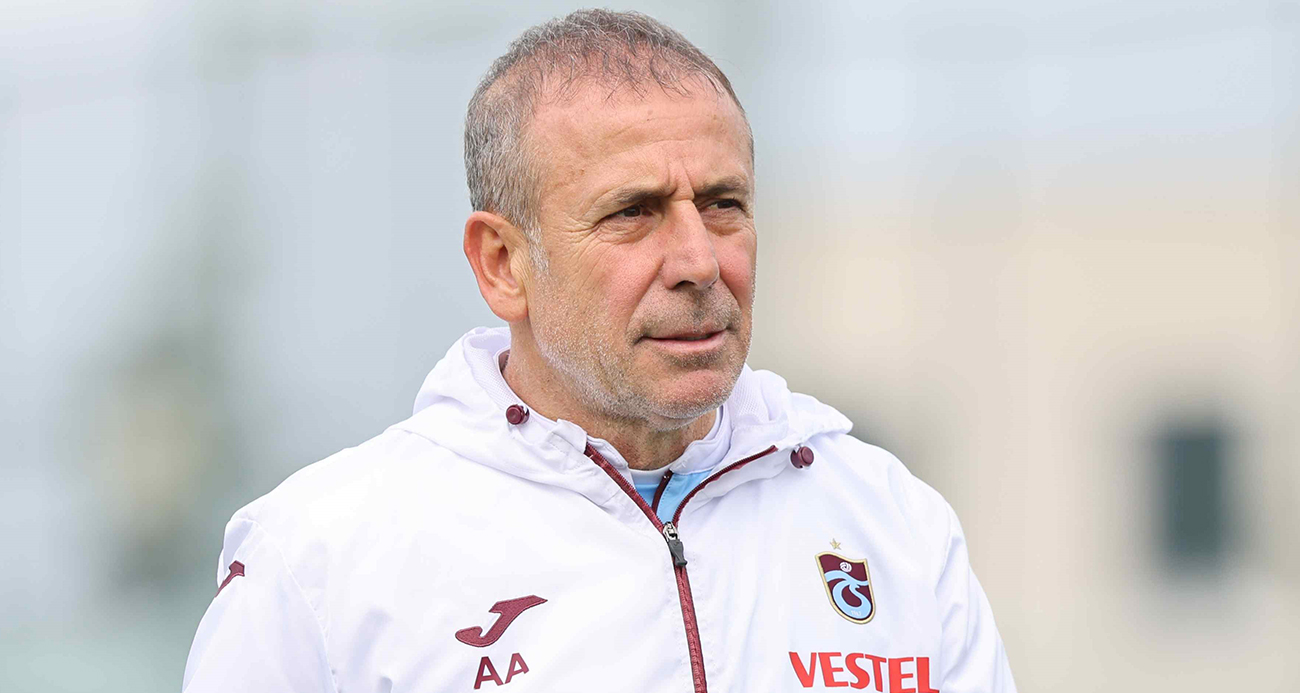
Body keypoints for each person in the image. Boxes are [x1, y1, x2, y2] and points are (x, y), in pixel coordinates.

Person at [182, 9, 1016, 693]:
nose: (698, 261)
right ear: (502, 263)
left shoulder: (892, 522)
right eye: (633, 213)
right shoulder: (322, 563)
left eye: (723, 203)